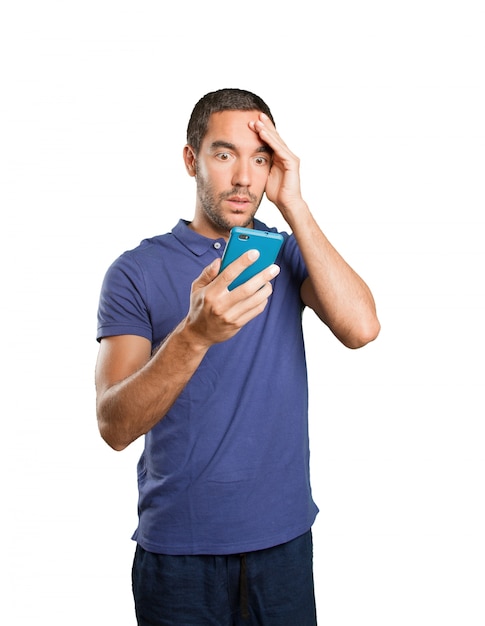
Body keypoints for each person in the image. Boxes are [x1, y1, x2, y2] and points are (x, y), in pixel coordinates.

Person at [95, 88, 380, 625]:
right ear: (191, 159)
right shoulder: (135, 270)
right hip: (178, 554)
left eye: (261, 158)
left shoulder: (287, 253)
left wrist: (293, 205)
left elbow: (362, 327)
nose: (245, 178)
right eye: (225, 155)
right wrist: (195, 335)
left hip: (283, 546)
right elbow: (114, 425)